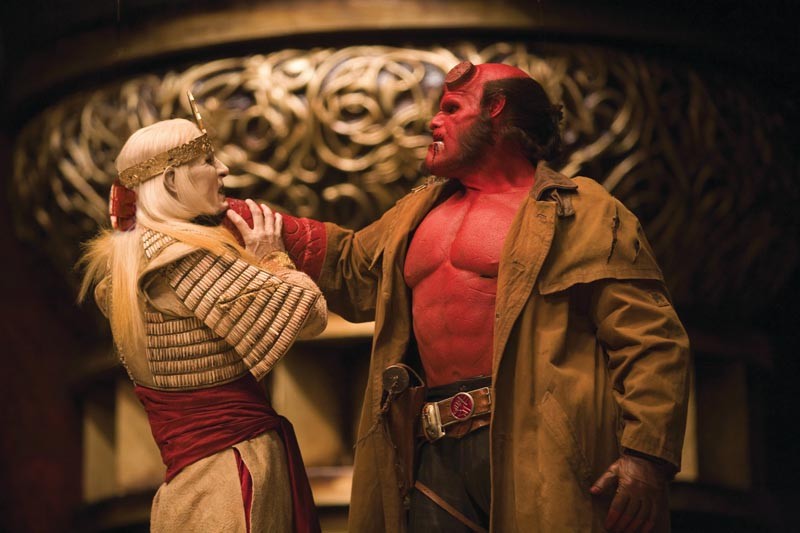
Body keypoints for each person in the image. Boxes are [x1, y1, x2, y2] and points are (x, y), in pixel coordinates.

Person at [274, 62, 691, 532]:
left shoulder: (584, 212)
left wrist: (646, 457)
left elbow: (650, 338)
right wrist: (249, 219)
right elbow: (351, 270)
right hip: (433, 449)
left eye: (452, 108)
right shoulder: (416, 213)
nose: (434, 121)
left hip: (541, 451)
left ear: (496, 110)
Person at [78, 103, 327, 533]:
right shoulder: (185, 259)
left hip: (192, 481)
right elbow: (310, 316)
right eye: (208, 160)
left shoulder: (129, 260)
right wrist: (273, 258)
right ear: (171, 181)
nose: (223, 169)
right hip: (230, 476)